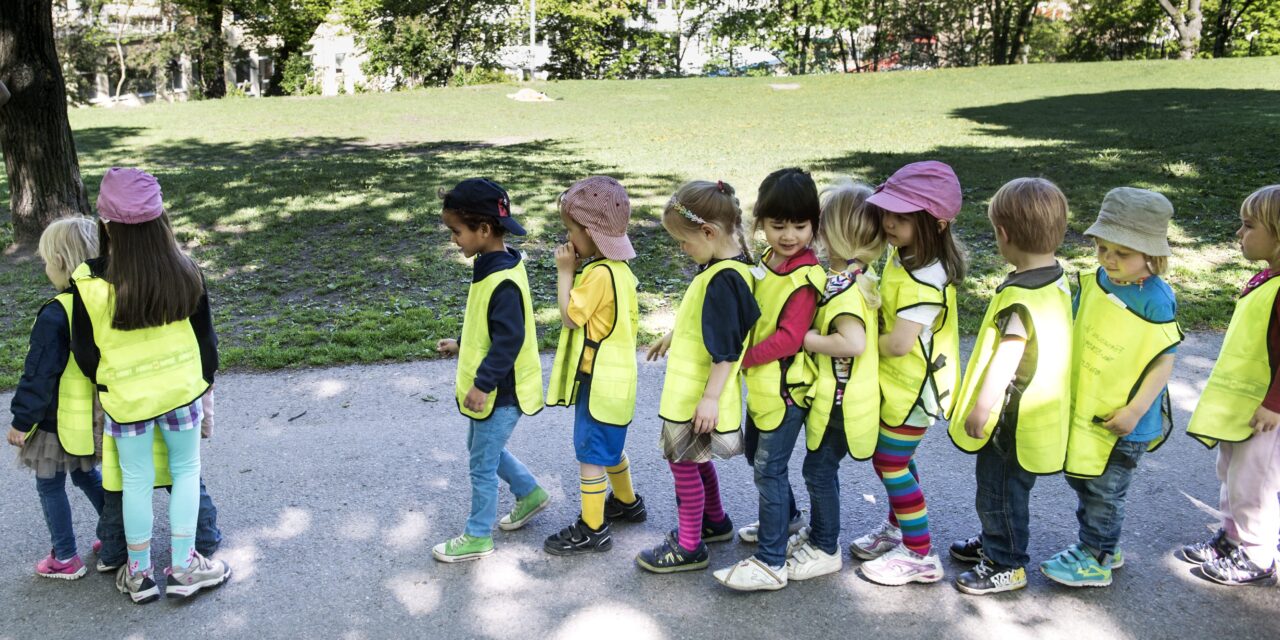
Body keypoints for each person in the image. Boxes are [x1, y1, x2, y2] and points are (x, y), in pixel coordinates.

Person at [69, 168, 228, 603]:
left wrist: (107, 385)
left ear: (105, 222)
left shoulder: (88, 280)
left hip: (127, 400)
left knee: (135, 480)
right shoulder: (185, 269)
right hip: (182, 394)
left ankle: (138, 574)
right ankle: (184, 564)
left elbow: (85, 354)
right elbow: (206, 341)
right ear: (161, 218)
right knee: (185, 473)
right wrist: (202, 382)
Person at [1035, 188, 1181, 588]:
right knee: (1084, 479)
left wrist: (1135, 411)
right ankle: (1104, 544)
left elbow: (1162, 361)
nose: (1109, 261)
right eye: (1103, 248)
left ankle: (1095, 556)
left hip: (1127, 420)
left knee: (1104, 490)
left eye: (1123, 253)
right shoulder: (1099, 279)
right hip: (1090, 410)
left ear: (1152, 255)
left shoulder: (1157, 300)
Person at [948, 177, 1073, 595]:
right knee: (1009, 489)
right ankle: (997, 539)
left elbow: (1008, 356)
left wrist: (982, 408)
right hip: (1039, 409)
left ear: (1003, 235)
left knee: (998, 489)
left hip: (1010, 417)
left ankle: (1005, 562)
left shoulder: (1020, 297)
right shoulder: (1057, 279)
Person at [636, 180, 760, 574]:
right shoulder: (728, 269)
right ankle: (715, 521)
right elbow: (712, 322)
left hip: (696, 393)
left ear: (709, 232)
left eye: (683, 241)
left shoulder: (723, 279)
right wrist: (676, 334)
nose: (681, 249)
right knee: (694, 457)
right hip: (696, 390)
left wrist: (709, 398)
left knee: (682, 463)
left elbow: (728, 347)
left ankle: (690, 546)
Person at [853, 161, 964, 586]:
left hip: (916, 390)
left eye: (901, 217)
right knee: (893, 461)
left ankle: (919, 553)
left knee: (890, 461)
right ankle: (900, 527)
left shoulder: (926, 279)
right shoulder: (906, 257)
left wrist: (857, 346)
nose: (888, 223)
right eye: (887, 213)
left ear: (934, 223)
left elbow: (899, 343)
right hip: (899, 384)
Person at [714, 168, 824, 591]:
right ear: (761, 224)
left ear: (814, 223)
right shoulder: (768, 262)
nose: (789, 235)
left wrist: (741, 359)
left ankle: (772, 561)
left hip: (786, 393)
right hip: (763, 390)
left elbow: (789, 339)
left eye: (800, 225)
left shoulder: (804, 276)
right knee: (757, 457)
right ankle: (786, 518)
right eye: (778, 226)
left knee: (769, 471)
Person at [432, 178, 548, 562]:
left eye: (457, 231)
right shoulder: (494, 261)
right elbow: (493, 330)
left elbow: (508, 342)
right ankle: (529, 493)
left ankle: (478, 535)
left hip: (501, 391)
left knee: (480, 463)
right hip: (497, 386)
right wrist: (463, 345)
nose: (454, 239)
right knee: (480, 449)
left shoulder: (502, 279)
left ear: (484, 229)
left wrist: (482, 384)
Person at [1181, 184, 1280, 586]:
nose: (1239, 234)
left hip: (1266, 414)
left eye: (1248, 226)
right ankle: (1233, 537)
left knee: (1253, 483)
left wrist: (1275, 403)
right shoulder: (1265, 278)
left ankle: (1257, 555)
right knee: (1231, 472)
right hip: (1242, 407)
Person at [786, 181, 884, 582]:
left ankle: (826, 546)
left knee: (818, 471)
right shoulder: (855, 275)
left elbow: (853, 342)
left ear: (837, 233)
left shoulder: (846, 290)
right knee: (819, 469)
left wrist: (804, 338)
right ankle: (820, 532)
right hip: (839, 398)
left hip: (842, 404)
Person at [543, 176, 644, 555]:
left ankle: (593, 527)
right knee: (610, 446)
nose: (569, 240)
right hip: (619, 381)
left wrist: (565, 271)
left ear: (590, 232)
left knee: (589, 453)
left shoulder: (598, 274)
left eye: (571, 231)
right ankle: (628, 502)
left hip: (599, 381)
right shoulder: (620, 270)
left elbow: (571, 316)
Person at [8, 217, 104, 580]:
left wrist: (22, 420)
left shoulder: (55, 312)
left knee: (49, 484)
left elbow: (39, 373)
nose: (46, 267)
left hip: (52, 420)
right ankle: (115, 537)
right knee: (87, 476)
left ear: (62, 261)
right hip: (90, 416)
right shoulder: (101, 302)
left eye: (47, 260)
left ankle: (65, 556)